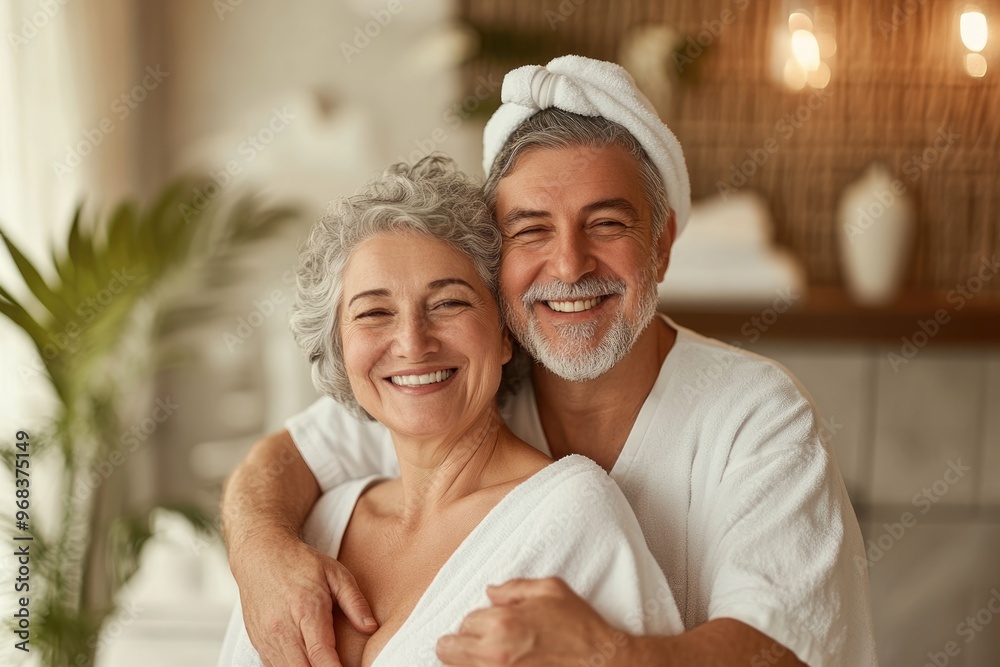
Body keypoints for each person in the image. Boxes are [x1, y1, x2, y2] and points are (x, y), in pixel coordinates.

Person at [221, 56, 877, 666]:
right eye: (531, 229)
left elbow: (784, 651)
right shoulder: (447, 391)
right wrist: (260, 552)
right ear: (497, 265)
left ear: (663, 244)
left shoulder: (755, 417)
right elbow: (281, 462)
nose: (569, 265)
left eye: (607, 224)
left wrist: (609, 650)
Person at [217, 156, 684, 667]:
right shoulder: (311, 525)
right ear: (339, 349)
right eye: (374, 313)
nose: (413, 344)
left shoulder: (568, 515)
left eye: (449, 303)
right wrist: (256, 546)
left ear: (505, 333)